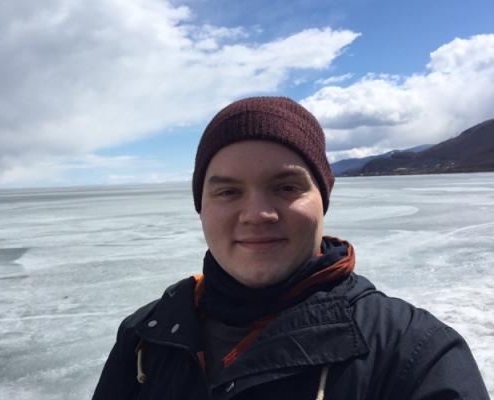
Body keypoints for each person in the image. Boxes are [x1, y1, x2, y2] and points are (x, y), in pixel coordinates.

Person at [92, 97, 489, 399]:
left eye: (286, 187)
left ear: (322, 199)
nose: (257, 213)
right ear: (202, 208)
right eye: (228, 191)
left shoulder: (413, 354)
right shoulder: (148, 337)